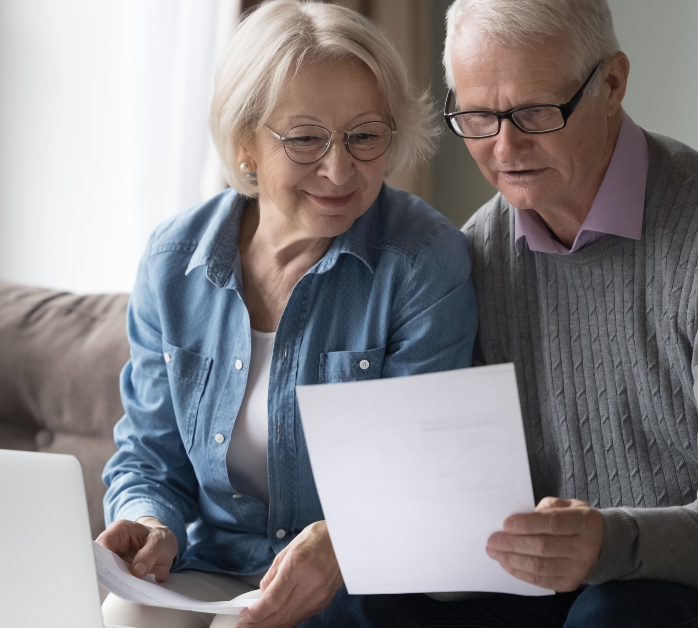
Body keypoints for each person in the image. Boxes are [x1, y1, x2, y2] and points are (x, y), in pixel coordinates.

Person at [307, 1, 698, 626]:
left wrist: (606, 543)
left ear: (613, 83)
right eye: (479, 116)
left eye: (536, 112)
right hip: (574, 583)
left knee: (615, 613)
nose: (504, 147)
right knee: (348, 606)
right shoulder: (475, 253)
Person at [95, 2, 476, 627]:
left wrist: (340, 540)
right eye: (304, 138)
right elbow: (147, 454)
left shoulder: (422, 261)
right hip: (218, 562)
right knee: (127, 613)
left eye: (365, 135)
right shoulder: (173, 262)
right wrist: (149, 522)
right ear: (246, 143)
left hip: (355, 579)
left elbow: (419, 472)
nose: (339, 168)